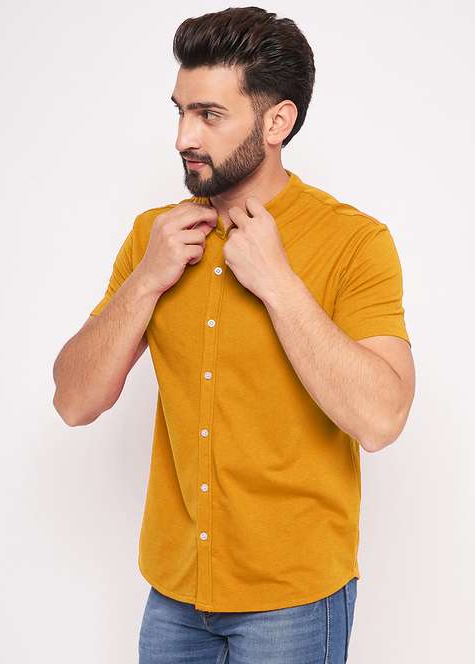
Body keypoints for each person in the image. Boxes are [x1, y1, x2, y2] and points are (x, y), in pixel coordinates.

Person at [52, 6, 415, 663]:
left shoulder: (355, 241)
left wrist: (278, 283)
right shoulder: (153, 236)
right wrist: (147, 280)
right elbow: (74, 401)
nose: (183, 137)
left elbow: (382, 420)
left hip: (294, 600)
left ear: (277, 122)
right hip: (174, 594)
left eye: (209, 115)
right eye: (180, 111)